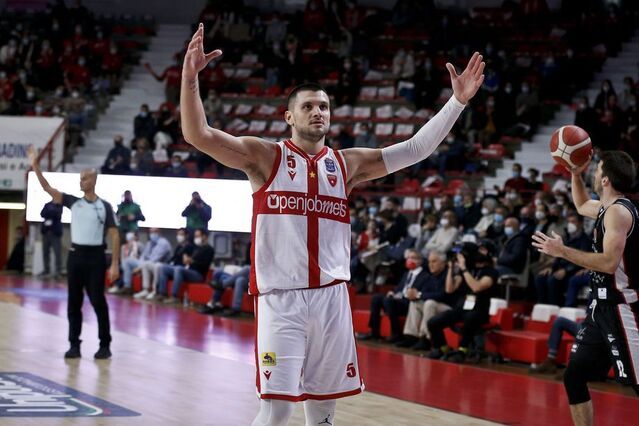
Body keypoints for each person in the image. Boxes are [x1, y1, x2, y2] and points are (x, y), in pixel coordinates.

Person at [180, 23, 484, 425]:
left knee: (324, 411)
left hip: (331, 298)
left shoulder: (346, 164)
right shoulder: (265, 157)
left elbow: (415, 149)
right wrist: (190, 79)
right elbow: (198, 134)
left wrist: (457, 103)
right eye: (308, 106)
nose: (318, 112)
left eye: (323, 106)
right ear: (289, 116)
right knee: (276, 409)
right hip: (281, 298)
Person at [532, 151, 639, 425]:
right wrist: (575, 174)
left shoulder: (618, 212)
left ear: (605, 179)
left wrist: (562, 251)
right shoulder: (606, 207)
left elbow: (608, 263)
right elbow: (580, 204)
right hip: (599, 307)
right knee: (574, 376)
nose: (594, 172)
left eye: (597, 169)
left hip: (622, 309)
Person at [28, 145, 119, 360]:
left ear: (94, 181)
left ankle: (104, 345)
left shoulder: (104, 206)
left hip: (96, 257)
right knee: (73, 302)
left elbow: (115, 235)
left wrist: (115, 264)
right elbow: (47, 188)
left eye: (85, 179)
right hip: (76, 256)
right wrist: (35, 165)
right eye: (80, 179)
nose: (81, 182)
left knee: (98, 301)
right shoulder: (73, 202)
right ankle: (74, 345)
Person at [427, 241, 498, 364]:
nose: (479, 252)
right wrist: (450, 268)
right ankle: (442, 348)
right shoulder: (469, 269)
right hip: (462, 309)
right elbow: (449, 289)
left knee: (470, 318)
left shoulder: (491, 272)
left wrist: (464, 268)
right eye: (479, 249)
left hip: (479, 311)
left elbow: (476, 287)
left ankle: (462, 350)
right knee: (433, 322)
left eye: (483, 249)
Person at [155, 228, 214, 304]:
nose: (196, 238)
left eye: (198, 236)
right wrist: (186, 258)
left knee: (178, 269)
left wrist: (192, 261)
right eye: (195, 236)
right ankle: (162, 293)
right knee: (164, 268)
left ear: (204, 236)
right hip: (189, 270)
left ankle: (174, 296)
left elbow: (205, 264)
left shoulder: (209, 249)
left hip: (198, 274)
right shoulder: (196, 248)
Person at [39, 200, 63, 279]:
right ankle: (46, 270)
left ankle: (58, 272)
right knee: (45, 253)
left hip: (55, 233)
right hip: (46, 232)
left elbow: (57, 215)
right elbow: (42, 214)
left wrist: (49, 213)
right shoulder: (47, 204)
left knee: (57, 253)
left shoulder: (60, 205)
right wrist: (51, 213)